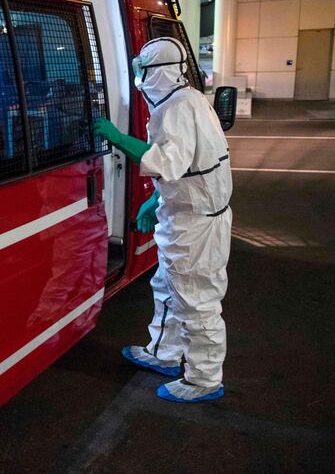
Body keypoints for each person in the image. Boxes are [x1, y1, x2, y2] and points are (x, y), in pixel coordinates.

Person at [94, 37, 233, 403]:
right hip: (186, 214)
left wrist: (118, 137)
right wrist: (156, 199)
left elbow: (167, 161)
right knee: (169, 289)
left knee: (196, 301)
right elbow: (194, 166)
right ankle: (164, 353)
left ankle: (204, 378)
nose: (139, 78)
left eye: (142, 70)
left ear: (158, 72)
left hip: (196, 225)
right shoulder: (189, 100)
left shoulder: (177, 107)